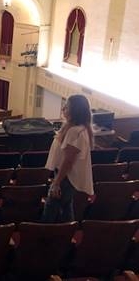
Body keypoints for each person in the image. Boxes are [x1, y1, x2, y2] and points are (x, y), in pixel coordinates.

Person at [42, 94, 94, 223]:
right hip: (67, 177)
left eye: (67, 106)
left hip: (66, 177)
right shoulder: (80, 129)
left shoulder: (75, 132)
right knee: (66, 207)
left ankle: (42, 235)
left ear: (74, 111)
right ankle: (68, 233)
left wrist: (56, 182)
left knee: (51, 208)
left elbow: (68, 161)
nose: (63, 108)